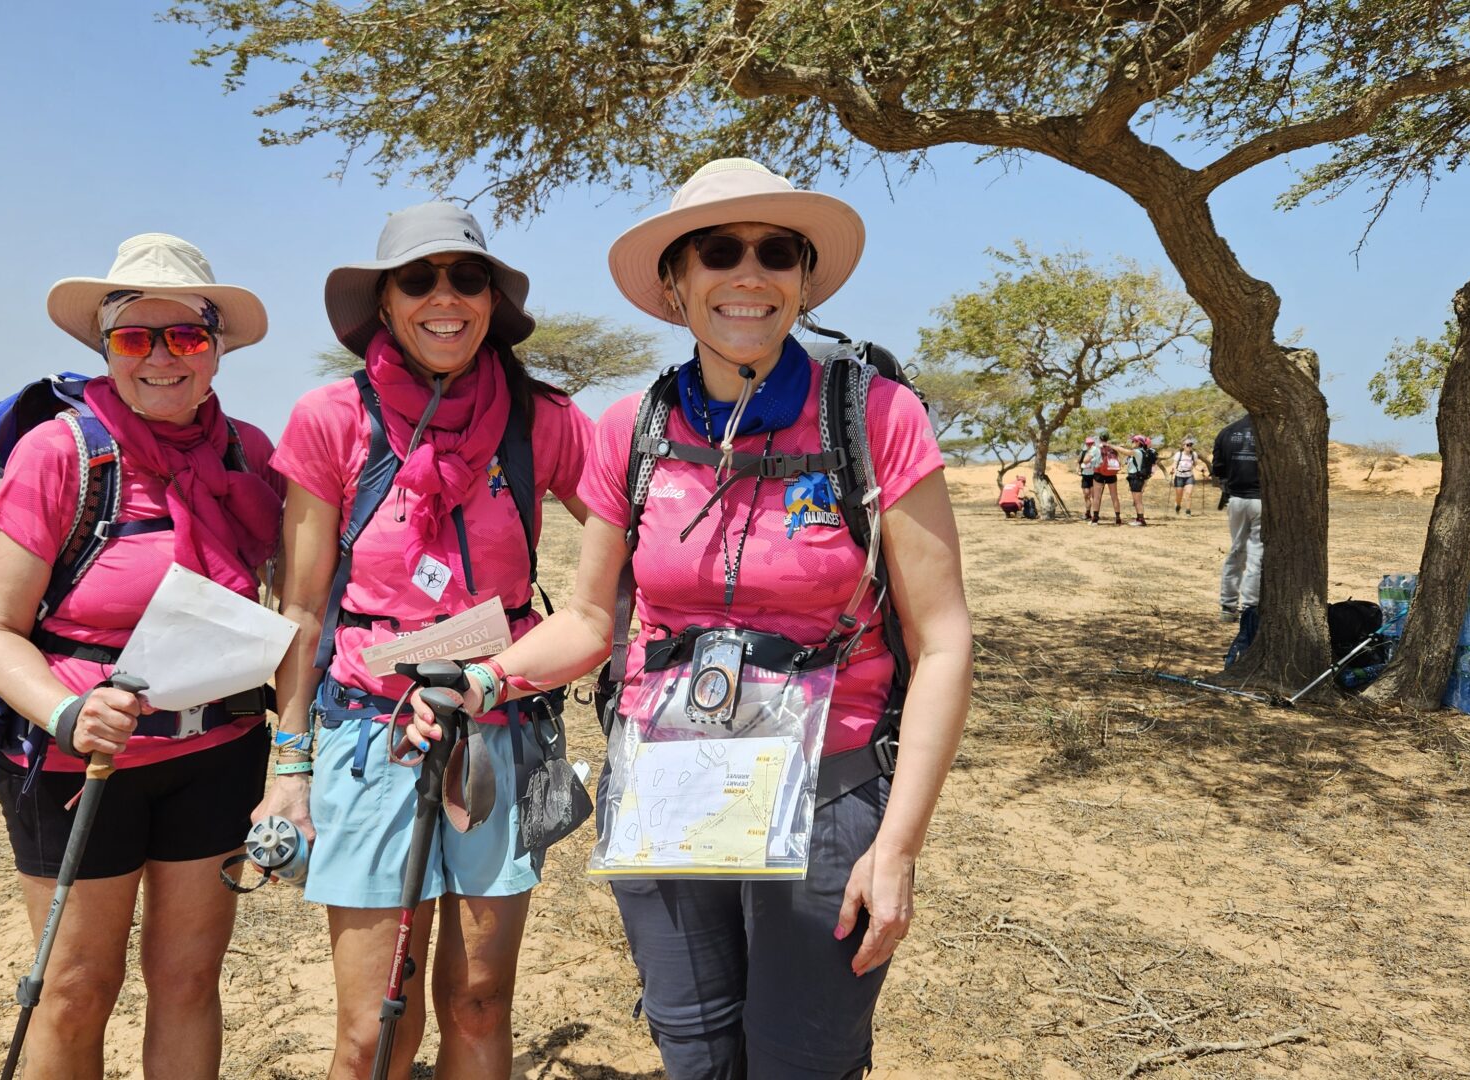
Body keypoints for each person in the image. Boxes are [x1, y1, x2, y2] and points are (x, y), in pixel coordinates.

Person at [408, 159, 972, 1078]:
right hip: (667, 784)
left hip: (831, 789)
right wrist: (480, 681)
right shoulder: (630, 426)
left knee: (803, 1058)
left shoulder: (875, 415)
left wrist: (898, 846)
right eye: (718, 251)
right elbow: (591, 617)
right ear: (675, 284)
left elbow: (945, 641)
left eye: (776, 252)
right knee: (694, 1048)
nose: (749, 274)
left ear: (803, 279)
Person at [263, 203, 594, 1080]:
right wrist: (289, 763)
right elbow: (300, 609)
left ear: (492, 299)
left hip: (500, 723)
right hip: (370, 731)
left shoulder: (543, 422)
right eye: (419, 279)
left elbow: (629, 559)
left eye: (467, 277)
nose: (444, 297)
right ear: (384, 302)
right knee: (374, 1026)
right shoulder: (331, 419)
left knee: (481, 1003)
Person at [0, 233, 284, 1080]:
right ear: (106, 349)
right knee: (74, 987)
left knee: (187, 981)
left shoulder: (250, 453)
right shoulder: (61, 453)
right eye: (136, 338)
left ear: (216, 349)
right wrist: (68, 711)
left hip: (217, 754)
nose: (162, 358)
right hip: (80, 760)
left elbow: (300, 593)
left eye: (185, 336)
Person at [1213, 413, 1262, 622]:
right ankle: (1250, 606)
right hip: (1262, 500)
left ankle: (1228, 605)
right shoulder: (1269, 433)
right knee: (1257, 553)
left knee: (1236, 550)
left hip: (1236, 500)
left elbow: (1218, 469)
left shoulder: (1227, 432)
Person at [1119, 434, 1159, 527]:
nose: (1132, 442)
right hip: (1135, 477)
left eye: (1134, 441)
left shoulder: (1138, 452)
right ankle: (1139, 518)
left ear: (1139, 443)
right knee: (1137, 500)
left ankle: (1141, 520)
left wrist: (1113, 446)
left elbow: (1125, 452)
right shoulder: (1139, 452)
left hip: (1137, 478)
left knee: (1138, 501)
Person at [1089, 428, 1123, 523]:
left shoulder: (1096, 448)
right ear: (1108, 438)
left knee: (1097, 496)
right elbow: (1119, 461)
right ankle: (1118, 517)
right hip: (1111, 474)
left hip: (1099, 474)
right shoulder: (1113, 448)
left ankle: (1095, 518)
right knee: (1114, 496)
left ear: (1100, 438)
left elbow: (1089, 459)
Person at [1169, 435, 1208, 516]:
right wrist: (1172, 469)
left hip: (1189, 476)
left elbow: (1195, 465)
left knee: (1189, 493)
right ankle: (1178, 505)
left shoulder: (1193, 454)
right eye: (1188, 445)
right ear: (1183, 446)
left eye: (1191, 445)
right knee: (1179, 495)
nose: (1189, 446)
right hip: (1179, 476)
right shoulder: (1178, 454)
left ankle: (1188, 511)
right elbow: (1174, 464)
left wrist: (1201, 469)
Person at [1075, 434, 1098, 519]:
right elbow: (1078, 462)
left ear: (1094, 444)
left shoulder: (1097, 453)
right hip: (1085, 476)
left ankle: (1095, 514)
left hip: (1094, 476)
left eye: (1091, 443)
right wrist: (1078, 470)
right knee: (1086, 495)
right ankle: (1087, 513)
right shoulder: (1083, 452)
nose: (1089, 445)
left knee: (1094, 496)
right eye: (1088, 444)